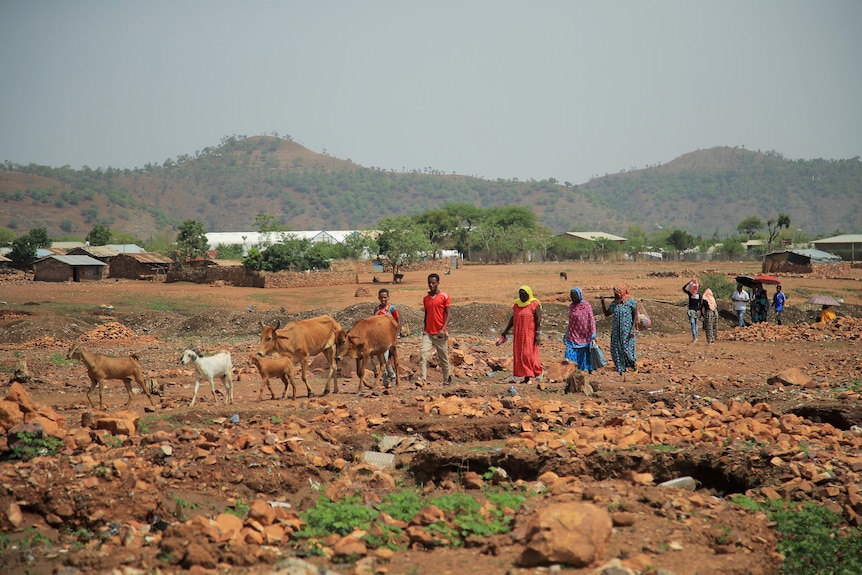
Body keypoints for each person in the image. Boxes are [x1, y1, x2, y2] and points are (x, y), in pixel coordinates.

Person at [501, 285, 543, 385]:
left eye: (524, 295)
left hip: (529, 333)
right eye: (520, 295)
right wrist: (506, 331)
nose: (522, 297)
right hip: (519, 334)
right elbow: (513, 318)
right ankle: (527, 375)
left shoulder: (534, 304)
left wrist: (537, 334)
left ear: (529, 294)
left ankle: (529, 376)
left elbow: (538, 320)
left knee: (527, 354)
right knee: (520, 355)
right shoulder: (517, 304)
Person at [419, 273, 452, 386]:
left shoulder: (444, 296)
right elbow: (426, 314)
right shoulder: (426, 299)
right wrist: (424, 329)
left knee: (443, 357)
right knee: (423, 354)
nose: (431, 285)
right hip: (428, 332)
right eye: (429, 283)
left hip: (440, 333)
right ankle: (422, 379)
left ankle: (447, 379)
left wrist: (443, 329)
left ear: (438, 283)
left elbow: (448, 314)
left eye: (433, 283)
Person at [601, 284, 638, 380]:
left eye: (617, 293)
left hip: (627, 330)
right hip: (616, 330)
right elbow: (607, 313)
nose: (616, 295)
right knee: (616, 349)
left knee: (626, 349)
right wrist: (602, 302)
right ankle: (620, 369)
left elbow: (635, 316)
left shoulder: (631, 302)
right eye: (615, 293)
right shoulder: (614, 303)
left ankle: (633, 365)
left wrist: (632, 329)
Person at [564, 287, 597, 372]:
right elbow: (570, 322)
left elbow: (591, 320)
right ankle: (570, 372)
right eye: (572, 296)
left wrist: (593, 333)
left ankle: (584, 370)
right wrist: (567, 333)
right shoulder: (571, 306)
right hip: (573, 335)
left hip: (584, 335)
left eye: (575, 296)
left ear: (580, 296)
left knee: (584, 355)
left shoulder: (586, 306)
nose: (573, 298)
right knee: (569, 354)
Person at [372, 288, 399, 382]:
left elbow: (396, 321)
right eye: (381, 297)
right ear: (378, 298)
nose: (383, 299)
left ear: (388, 297)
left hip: (388, 339)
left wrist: (395, 336)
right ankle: (389, 377)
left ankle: (389, 378)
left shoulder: (392, 308)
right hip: (378, 339)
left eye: (385, 297)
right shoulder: (376, 309)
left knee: (385, 358)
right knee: (382, 359)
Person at [683, 277, 701, 342]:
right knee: (696, 325)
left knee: (693, 325)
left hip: (691, 311)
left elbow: (683, 288)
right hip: (697, 311)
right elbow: (700, 304)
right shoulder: (699, 295)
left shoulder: (690, 295)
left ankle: (695, 338)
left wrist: (689, 282)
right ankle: (696, 337)